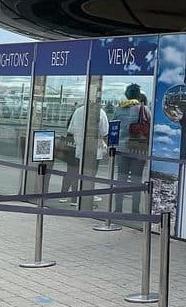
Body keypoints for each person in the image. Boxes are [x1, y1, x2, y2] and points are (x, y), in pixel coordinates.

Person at [111, 84, 151, 212]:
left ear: (126, 94)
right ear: (139, 95)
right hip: (137, 148)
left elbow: (113, 128)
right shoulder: (144, 109)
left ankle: (118, 208)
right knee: (136, 179)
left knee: (121, 179)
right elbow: (149, 127)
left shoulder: (119, 109)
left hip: (121, 149)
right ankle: (135, 210)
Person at [63, 102, 110, 198]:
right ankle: (87, 196)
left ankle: (75, 197)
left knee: (77, 173)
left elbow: (70, 130)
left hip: (79, 148)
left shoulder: (78, 111)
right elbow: (104, 132)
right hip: (94, 150)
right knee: (91, 174)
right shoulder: (101, 113)